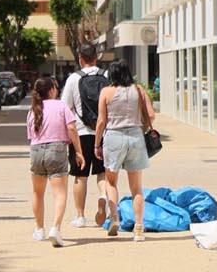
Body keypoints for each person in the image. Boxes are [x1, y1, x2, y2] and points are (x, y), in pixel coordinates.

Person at [92, 62, 157, 241]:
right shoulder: (139, 90)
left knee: (111, 183)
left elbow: (101, 122)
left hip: (113, 137)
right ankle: (138, 229)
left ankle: (114, 218)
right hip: (135, 136)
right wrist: (140, 124)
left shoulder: (106, 92)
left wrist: (97, 144)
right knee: (136, 188)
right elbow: (151, 115)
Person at [25, 76, 75, 246]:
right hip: (57, 149)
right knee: (60, 193)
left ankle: (39, 229)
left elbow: (31, 136)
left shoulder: (33, 110)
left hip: (36, 150)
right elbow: (71, 127)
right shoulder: (61, 105)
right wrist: (79, 151)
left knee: (37, 192)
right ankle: (56, 228)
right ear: (52, 90)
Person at [65, 43, 108, 228]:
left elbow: (65, 107)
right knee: (102, 173)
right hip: (104, 132)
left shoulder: (73, 79)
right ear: (96, 58)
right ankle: (103, 196)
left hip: (81, 133)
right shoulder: (106, 76)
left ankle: (80, 216)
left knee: (80, 176)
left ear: (80, 59)